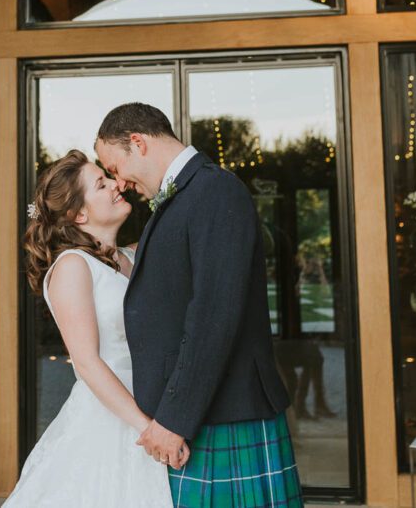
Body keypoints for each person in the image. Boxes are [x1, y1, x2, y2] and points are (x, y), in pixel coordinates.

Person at [94, 103, 302, 507]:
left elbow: (213, 316)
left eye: (115, 167)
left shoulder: (214, 190)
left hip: (224, 411)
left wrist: (174, 419)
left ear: (138, 143)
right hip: (204, 412)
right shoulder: (184, 196)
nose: (118, 182)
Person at [3, 150, 172, 507]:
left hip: (155, 404)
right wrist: (145, 428)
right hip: (111, 420)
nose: (115, 184)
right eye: (102, 183)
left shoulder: (134, 256)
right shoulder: (72, 267)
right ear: (79, 214)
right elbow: (87, 363)